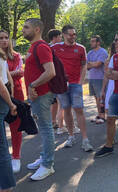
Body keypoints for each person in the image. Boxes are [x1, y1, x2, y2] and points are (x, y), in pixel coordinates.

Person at [22, 18, 56, 180]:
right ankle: (44, 156)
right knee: (44, 128)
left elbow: (50, 72)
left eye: (26, 27)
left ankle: (48, 165)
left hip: (41, 94)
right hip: (37, 95)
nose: (23, 29)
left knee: (46, 128)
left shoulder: (41, 47)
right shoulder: (34, 46)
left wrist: (32, 85)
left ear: (36, 29)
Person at [51, 25, 93, 151]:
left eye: (74, 34)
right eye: (70, 34)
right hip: (61, 85)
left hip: (75, 84)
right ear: (63, 35)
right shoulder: (54, 48)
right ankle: (71, 136)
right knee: (66, 110)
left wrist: (80, 81)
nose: (73, 36)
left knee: (79, 109)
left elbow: (84, 65)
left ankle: (85, 140)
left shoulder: (80, 48)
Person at [0, 30, 24, 173]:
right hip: (2, 94)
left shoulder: (15, 55)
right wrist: (9, 74)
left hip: (16, 94)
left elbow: (20, 71)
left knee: (16, 126)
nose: (4, 40)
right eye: (1, 38)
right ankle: (4, 157)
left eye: (6, 38)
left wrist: (7, 74)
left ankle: (16, 156)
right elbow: (14, 73)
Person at [0, 48, 18, 192]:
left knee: (1, 147)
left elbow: (1, 84)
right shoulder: (2, 55)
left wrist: (11, 103)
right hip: (4, 99)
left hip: (2, 100)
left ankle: (6, 187)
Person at [87, 35, 108, 124]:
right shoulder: (90, 52)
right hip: (91, 78)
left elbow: (98, 64)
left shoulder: (103, 52)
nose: (91, 43)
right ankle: (99, 114)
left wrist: (92, 64)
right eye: (91, 41)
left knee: (101, 97)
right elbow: (86, 66)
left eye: (93, 41)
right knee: (96, 98)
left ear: (98, 42)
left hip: (100, 78)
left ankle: (103, 116)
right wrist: (92, 64)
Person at [47, 29, 65, 134]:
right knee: (58, 101)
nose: (61, 39)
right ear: (55, 38)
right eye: (60, 37)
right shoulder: (49, 48)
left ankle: (53, 121)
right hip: (53, 79)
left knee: (55, 102)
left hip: (56, 79)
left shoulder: (58, 48)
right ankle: (58, 124)